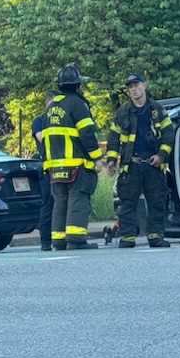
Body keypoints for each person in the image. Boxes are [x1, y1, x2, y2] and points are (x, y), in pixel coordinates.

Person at [105, 73, 174, 248]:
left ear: (144, 85)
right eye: (130, 87)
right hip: (132, 164)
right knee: (128, 202)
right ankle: (127, 237)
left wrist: (161, 156)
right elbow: (113, 139)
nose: (133, 90)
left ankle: (155, 236)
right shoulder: (122, 112)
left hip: (153, 165)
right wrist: (112, 160)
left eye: (136, 85)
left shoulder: (158, 110)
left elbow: (168, 136)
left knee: (157, 201)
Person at [43, 65, 103, 250]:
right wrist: (97, 158)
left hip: (54, 167)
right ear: (78, 85)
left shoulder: (51, 107)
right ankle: (76, 240)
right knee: (78, 199)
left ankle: (59, 239)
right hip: (76, 165)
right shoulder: (78, 104)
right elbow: (86, 134)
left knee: (60, 202)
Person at [31, 89, 58, 251]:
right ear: (46, 103)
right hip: (48, 169)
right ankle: (45, 241)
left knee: (61, 204)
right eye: (52, 103)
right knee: (47, 204)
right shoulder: (39, 121)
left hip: (64, 167)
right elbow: (43, 139)